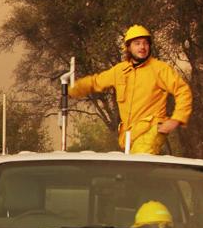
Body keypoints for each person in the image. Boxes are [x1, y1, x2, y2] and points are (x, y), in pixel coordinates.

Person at [68, 25, 192, 155]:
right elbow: (96, 82)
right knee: (132, 169)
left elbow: (182, 90)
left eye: (145, 43)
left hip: (152, 128)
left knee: (140, 162)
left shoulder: (159, 69)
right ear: (128, 47)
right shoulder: (120, 70)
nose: (142, 47)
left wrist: (176, 119)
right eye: (137, 43)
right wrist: (73, 89)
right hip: (129, 135)